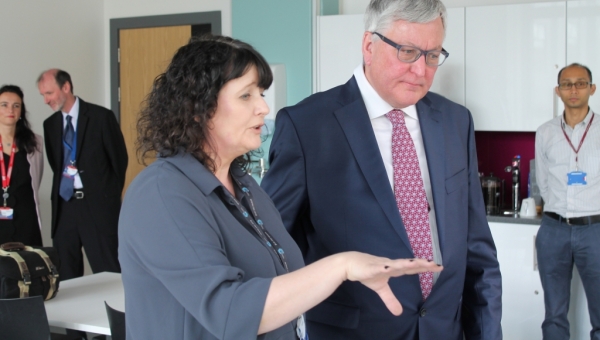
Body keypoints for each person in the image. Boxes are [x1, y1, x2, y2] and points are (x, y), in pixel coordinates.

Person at [118, 35, 442, 340]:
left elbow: (283, 287)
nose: (263, 108)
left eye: (261, 94)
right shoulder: (161, 194)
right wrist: (342, 266)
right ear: (196, 110)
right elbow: (230, 311)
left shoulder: (245, 187)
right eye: (246, 95)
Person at [261, 0, 502, 340]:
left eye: (432, 55)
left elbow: (477, 251)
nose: (421, 70)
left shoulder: (455, 121)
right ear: (369, 46)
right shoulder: (307, 125)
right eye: (408, 52)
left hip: (442, 329)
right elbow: (272, 249)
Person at [37, 69, 128, 280]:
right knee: (66, 274)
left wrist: (107, 197)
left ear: (66, 87)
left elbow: (119, 161)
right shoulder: (50, 125)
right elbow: (56, 165)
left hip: (97, 206)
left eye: (49, 93)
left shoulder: (101, 117)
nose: (45, 100)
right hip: (65, 207)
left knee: (109, 272)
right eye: (43, 95)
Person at [535, 62, 600, 340]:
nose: (573, 89)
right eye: (567, 84)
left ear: (592, 89)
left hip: (595, 230)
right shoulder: (545, 132)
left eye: (580, 83)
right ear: (558, 91)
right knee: (554, 315)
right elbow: (543, 181)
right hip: (554, 230)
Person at [0, 85, 43, 246]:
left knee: (28, 261)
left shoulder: (35, 142)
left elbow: (36, 180)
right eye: (4, 105)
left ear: (21, 111)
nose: (10, 110)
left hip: (26, 222)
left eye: (16, 105)